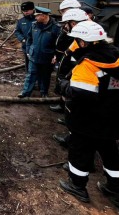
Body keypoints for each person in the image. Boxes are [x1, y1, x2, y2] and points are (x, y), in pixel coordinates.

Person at [58, 21, 119, 208]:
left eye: (78, 40)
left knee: (80, 152)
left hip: (86, 120)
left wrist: (62, 85)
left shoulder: (87, 64)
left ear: (85, 42)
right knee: (110, 152)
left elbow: (80, 93)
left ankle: (77, 186)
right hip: (112, 118)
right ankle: (114, 189)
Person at [50, 8, 89, 147]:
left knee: (80, 117)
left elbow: (77, 64)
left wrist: (67, 85)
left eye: (67, 24)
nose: (65, 27)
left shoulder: (86, 42)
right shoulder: (80, 39)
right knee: (75, 114)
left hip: (78, 86)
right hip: (73, 82)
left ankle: (75, 145)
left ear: (74, 23)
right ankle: (72, 135)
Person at [18, 6, 61, 98]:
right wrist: (29, 50)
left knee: (45, 76)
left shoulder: (56, 27)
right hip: (34, 55)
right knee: (31, 74)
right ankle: (25, 92)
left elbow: (59, 44)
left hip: (47, 57)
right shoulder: (34, 25)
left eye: (37, 16)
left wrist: (55, 55)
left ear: (44, 16)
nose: (35, 17)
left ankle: (44, 93)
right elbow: (29, 38)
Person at [15, 1, 35, 71]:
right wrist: (22, 39)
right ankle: (29, 77)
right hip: (26, 46)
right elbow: (17, 31)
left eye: (27, 10)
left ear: (33, 9)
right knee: (28, 64)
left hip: (37, 46)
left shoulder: (38, 19)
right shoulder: (21, 21)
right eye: (24, 11)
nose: (25, 12)